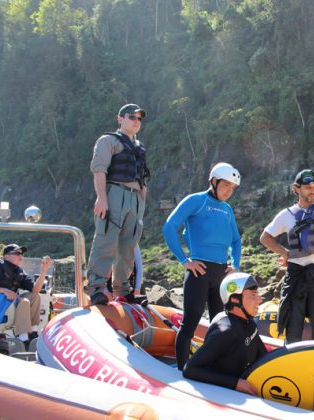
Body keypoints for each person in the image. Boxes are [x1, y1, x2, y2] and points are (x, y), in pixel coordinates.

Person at [162, 162, 242, 370]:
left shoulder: (227, 209)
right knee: (190, 323)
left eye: (232, 188)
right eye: (225, 185)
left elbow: (236, 240)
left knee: (219, 326)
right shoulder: (197, 201)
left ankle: (211, 367)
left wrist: (235, 264)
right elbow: (169, 227)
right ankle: (182, 370)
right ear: (214, 181)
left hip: (221, 274)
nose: (228, 191)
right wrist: (184, 260)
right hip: (200, 271)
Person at [259, 169, 314, 343]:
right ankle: (293, 366)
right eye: (308, 187)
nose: (312, 190)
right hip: (296, 275)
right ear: (297, 188)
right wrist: (284, 252)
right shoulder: (286, 215)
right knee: (292, 330)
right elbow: (265, 238)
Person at [85, 103, 149, 306]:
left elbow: (142, 178)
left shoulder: (139, 147)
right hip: (114, 193)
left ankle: (122, 289)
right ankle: (96, 288)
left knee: (128, 246)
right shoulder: (108, 141)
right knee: (106, 240)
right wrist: (101, 198)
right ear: (120, 119)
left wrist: (142, 204)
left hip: (134, 197)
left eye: (139, 118)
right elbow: (99, 170)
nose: (136, 121)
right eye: (132, 117)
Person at [183, 272, 265, 395]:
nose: (259, 299)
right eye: (253, 295)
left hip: (244, 383)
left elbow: (263, 355)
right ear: (234, 299)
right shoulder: (226, 331)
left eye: (257, 293)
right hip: (223, 394)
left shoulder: (249, 323)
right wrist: (235, 383)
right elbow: (190, 369)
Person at [0, 244, 52, 348]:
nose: (20, 255)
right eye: (17, 253)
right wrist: (4, 290)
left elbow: (35, 290)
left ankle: (33, 331)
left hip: (11, 302)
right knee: (24, 301)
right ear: (6, 256)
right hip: (0, 301)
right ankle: (22, 338)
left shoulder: (19, 272)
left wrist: (44, 270)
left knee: (35, 296)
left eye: (22, 253)